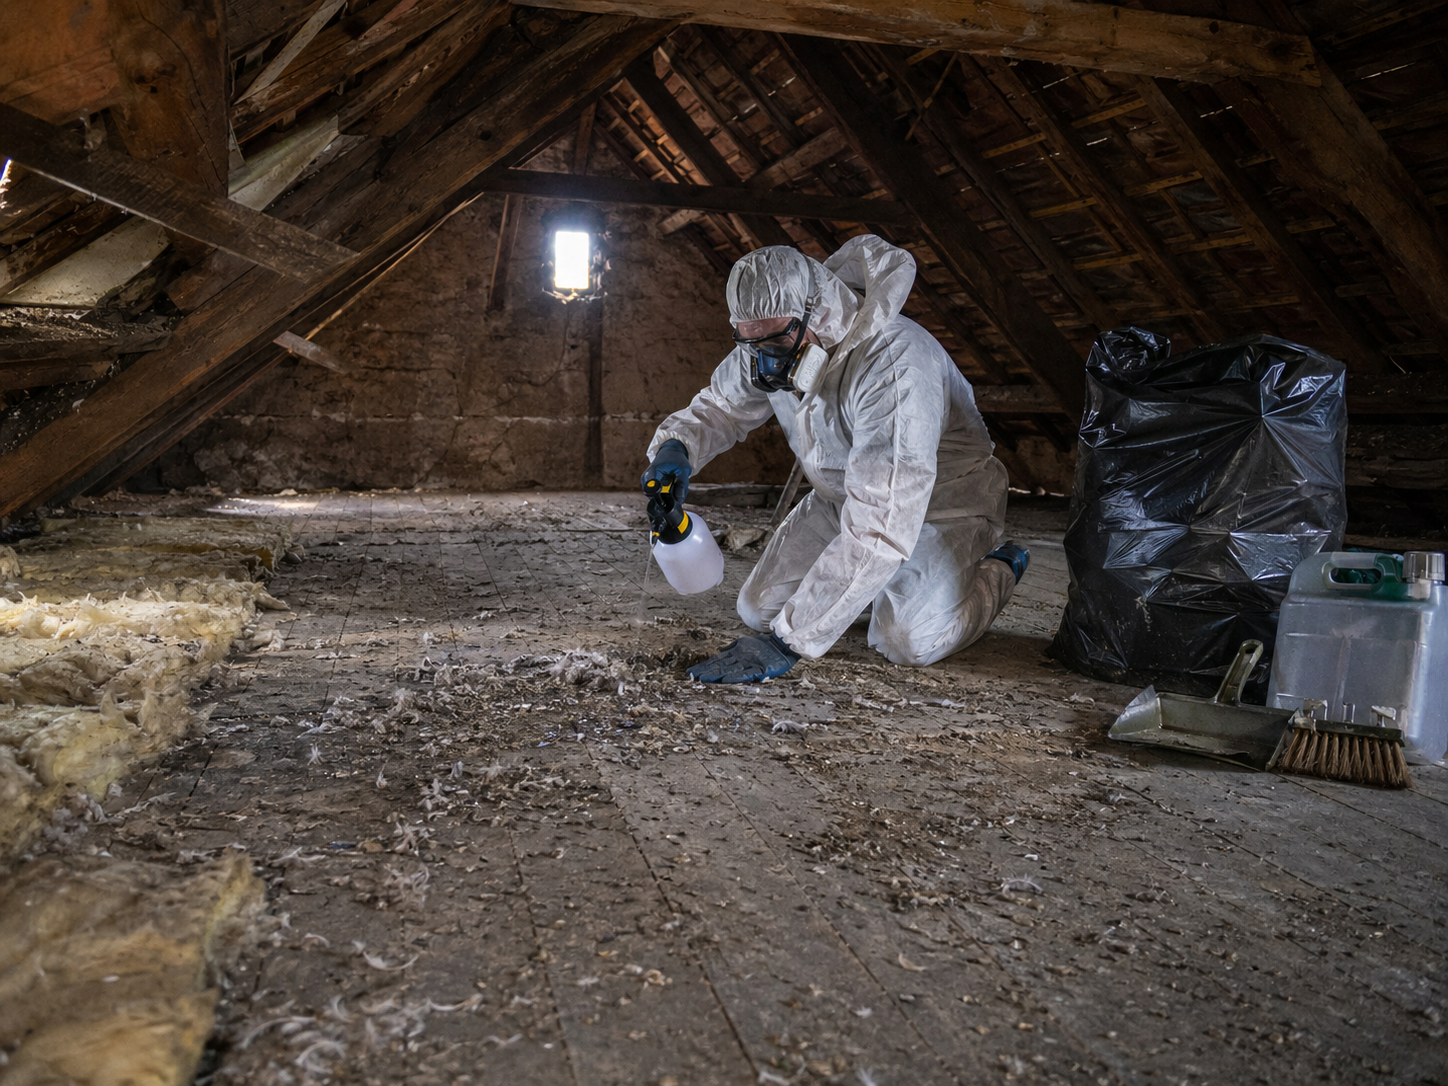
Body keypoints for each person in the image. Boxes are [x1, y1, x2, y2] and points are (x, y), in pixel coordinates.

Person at [641, 235, 1029, 684]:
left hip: (942, 506)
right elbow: (721, 406)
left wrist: (789, 642)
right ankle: (880, 585)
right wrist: (678, 446)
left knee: (906, 639)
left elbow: (881, 520)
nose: (766, 363)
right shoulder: (774, 337)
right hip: (840, 499)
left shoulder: (893, 364)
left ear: (819, 312)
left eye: (775, 343)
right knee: (758, 609)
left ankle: (999, 567)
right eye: (752, 344)